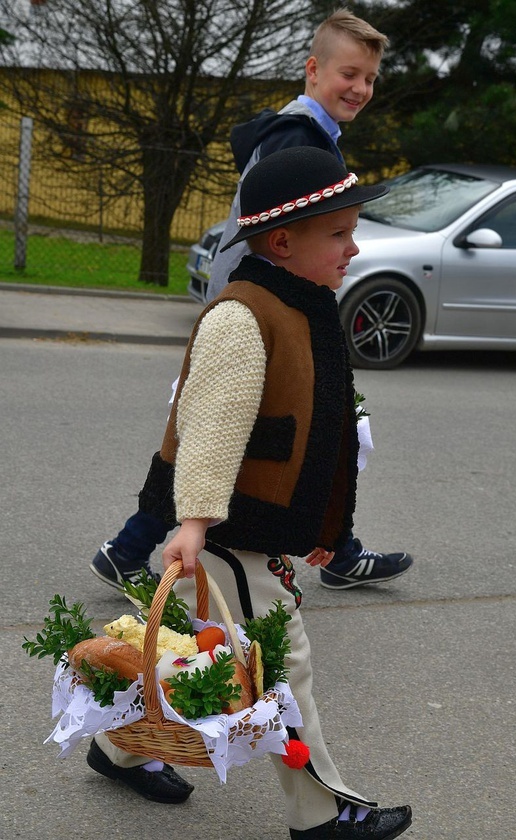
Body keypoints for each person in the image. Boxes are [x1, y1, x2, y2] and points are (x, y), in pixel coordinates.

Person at [89, 145, 413, 839]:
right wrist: (196, 522)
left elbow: (310, 430)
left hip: (245, 527)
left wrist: (324, 529)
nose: (353, 247)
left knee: (179, 647)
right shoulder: (242, 317)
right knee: (280, 662)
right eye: (339, 233)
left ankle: (114, 746)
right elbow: (209, 430)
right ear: (282, 240)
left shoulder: (300, 303)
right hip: (228, 529)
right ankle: (321, 813)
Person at [90, 8, 413, 596]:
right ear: (313, 70)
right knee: (257, 436)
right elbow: (278, 241)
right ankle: (309, 546)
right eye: (349, 74)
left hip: (266, 311)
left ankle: (139, 546)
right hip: (263, 316)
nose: (361, 89)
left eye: (369, 78)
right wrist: (265, 317)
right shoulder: (298, 140)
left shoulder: (303, 133)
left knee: (247, 433)